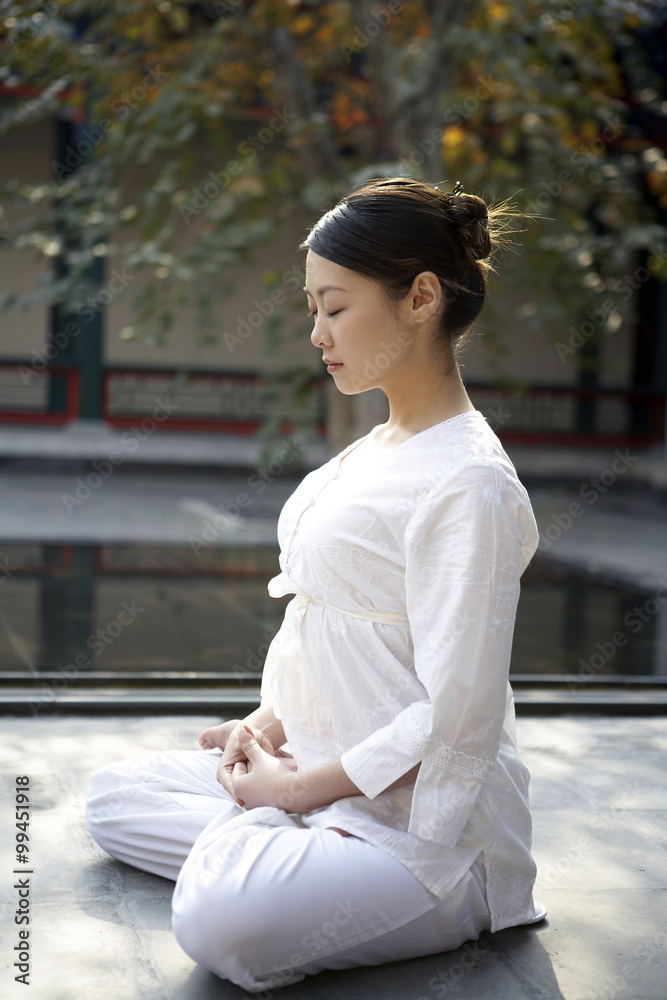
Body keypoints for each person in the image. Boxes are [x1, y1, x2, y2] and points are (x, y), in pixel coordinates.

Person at [85, 176, 546, 994]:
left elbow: (458, 717)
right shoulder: (377, 447)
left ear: (421, 297)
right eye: (311, 308)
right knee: (113, 798)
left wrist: (291, 786)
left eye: (333, 307)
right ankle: (281, 832)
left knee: (218, 923)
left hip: (423, 836)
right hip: (323, 767)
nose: (316, 332)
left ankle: (286, 835)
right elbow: (330, 630)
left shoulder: (469, 483)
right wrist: (265, 726)